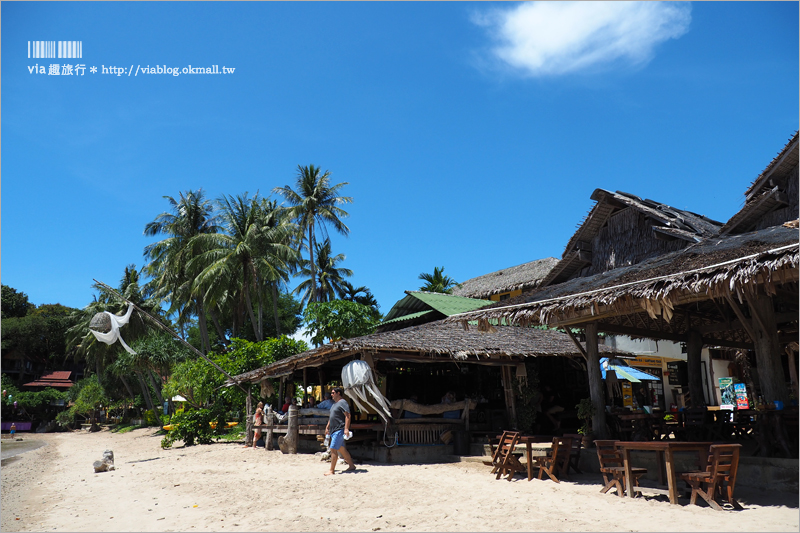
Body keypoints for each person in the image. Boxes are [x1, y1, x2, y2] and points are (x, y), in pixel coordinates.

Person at [324, 387, 356, 476]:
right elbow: (332, 417)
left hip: (339, 429)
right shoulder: (334, 404)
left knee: (333, 449)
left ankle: (331, 470)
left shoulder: (343, 402)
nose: (331, 394)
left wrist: (346, 428)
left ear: (338, 393)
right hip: (333, 430)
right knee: (342, 449)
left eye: (333, 393)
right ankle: (351, 466)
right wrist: (327, 427)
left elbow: (348, 415)